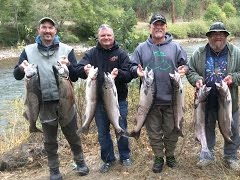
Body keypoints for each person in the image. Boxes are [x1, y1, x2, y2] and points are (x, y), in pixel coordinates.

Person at [13, 17, 89, 180]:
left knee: (73, 135)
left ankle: (80, 162)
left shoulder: (67, 49)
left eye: (50, 28)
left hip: (66, 101)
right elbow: (16, 75)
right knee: (49, 141)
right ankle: (54, 170)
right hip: (43, 104)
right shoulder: (28, 50)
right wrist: (21, 68)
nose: (47, 31)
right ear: (39, 30)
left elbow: (75, 76)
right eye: (44, 27)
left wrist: (69, 66)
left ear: (56, 31)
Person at [130, 13, 188, 173]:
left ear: (166, 28)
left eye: (161, 24)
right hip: (150, 102)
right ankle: (158, 157)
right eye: (155, 24)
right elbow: (131, 66)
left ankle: (170, 155)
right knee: (154, 133)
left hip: (172, 100)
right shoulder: (141, 48)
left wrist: (184, 69)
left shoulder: (176, 47)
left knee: (172, 131)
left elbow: (185, 65)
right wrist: (137, 71)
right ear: (150, 27)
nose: (159, 27)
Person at [186, 22, 240, 170]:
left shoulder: (236, 53)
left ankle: (231, 156)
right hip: (205, 100)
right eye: (214, 34)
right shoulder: (198, 53)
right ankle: (207, 154)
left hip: (228, 100)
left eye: (221, 34)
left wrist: (233, 78)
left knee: (232, 129)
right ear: (209, 37)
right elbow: (190, 71)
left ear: (226, 36)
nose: (217, 37)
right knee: (207, 128)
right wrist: (196, 80)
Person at [76, 24, 133, 173]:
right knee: (102, 133)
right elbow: (77, 69)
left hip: (118, 101)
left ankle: (125, 156)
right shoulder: (91, 54)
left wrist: (118, 73)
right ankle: (108, 159)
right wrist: (84, 69)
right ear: (98, 37)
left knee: (120, 128)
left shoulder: (121, 54)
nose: (106, 38)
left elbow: (129, 75)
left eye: (108, 35)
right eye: (103, 36)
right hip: (98, 102)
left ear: (113, 37)